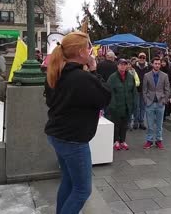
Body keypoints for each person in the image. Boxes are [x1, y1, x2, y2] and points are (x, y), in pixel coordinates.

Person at [44, 31, 111, 214]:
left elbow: (51, 101)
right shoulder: (82, 78)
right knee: (82, 190)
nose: (91, 51)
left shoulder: (56, 72)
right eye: (89, 47)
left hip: (57, 135)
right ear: (81, 52)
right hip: (72, 140)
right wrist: (95, 70)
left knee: (68, 180)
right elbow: (105, 97)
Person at [108, 59, 137, 151]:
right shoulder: (112, 77)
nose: (123, 66)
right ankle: (116, 141)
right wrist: (112, 105)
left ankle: (123, 141)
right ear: (117, 66)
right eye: (121, 64)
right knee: (116, 124)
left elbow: (134, 91)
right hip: (116, 105)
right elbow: (109, 92)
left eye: (125, 64)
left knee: (124, 124)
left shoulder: (130, 76)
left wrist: (134, 103)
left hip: (127, 105)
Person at [143, 57, 171, 149]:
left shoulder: (164, 76)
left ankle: (159, 140)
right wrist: (146, 101)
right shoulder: (147, 75)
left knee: (159, 124)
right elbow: (144, 90)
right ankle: (149, 140)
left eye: (159, 64)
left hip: (160, 103)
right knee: (150, 124)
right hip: (150, 103)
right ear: (152, 64)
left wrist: (164, 100)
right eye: (156, 63)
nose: (157, 65)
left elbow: (167, 90)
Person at [133, 52, 151, 130]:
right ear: (138, 58)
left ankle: (141, 122)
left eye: (143, 58)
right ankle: (135, 122)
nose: (142, 59)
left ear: (145, 58)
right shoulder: (134, 67)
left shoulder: (149, 67)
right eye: (140, 57)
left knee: (143, 107)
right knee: (136, 106)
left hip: (145, 90)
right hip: (136, 89)